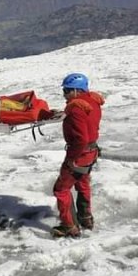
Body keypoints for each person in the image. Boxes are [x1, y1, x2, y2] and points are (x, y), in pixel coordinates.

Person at [51, 72, 105, 238]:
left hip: (80, 154)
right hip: (92, 152)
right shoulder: (92, 101)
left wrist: (71, 159)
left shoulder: (76, 108)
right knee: (82, 183)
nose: (65, 94)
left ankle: (69, 226)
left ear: (76, 90)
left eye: (67, 91)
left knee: (61, 189)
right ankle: (86, 218)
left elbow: (81, 139)